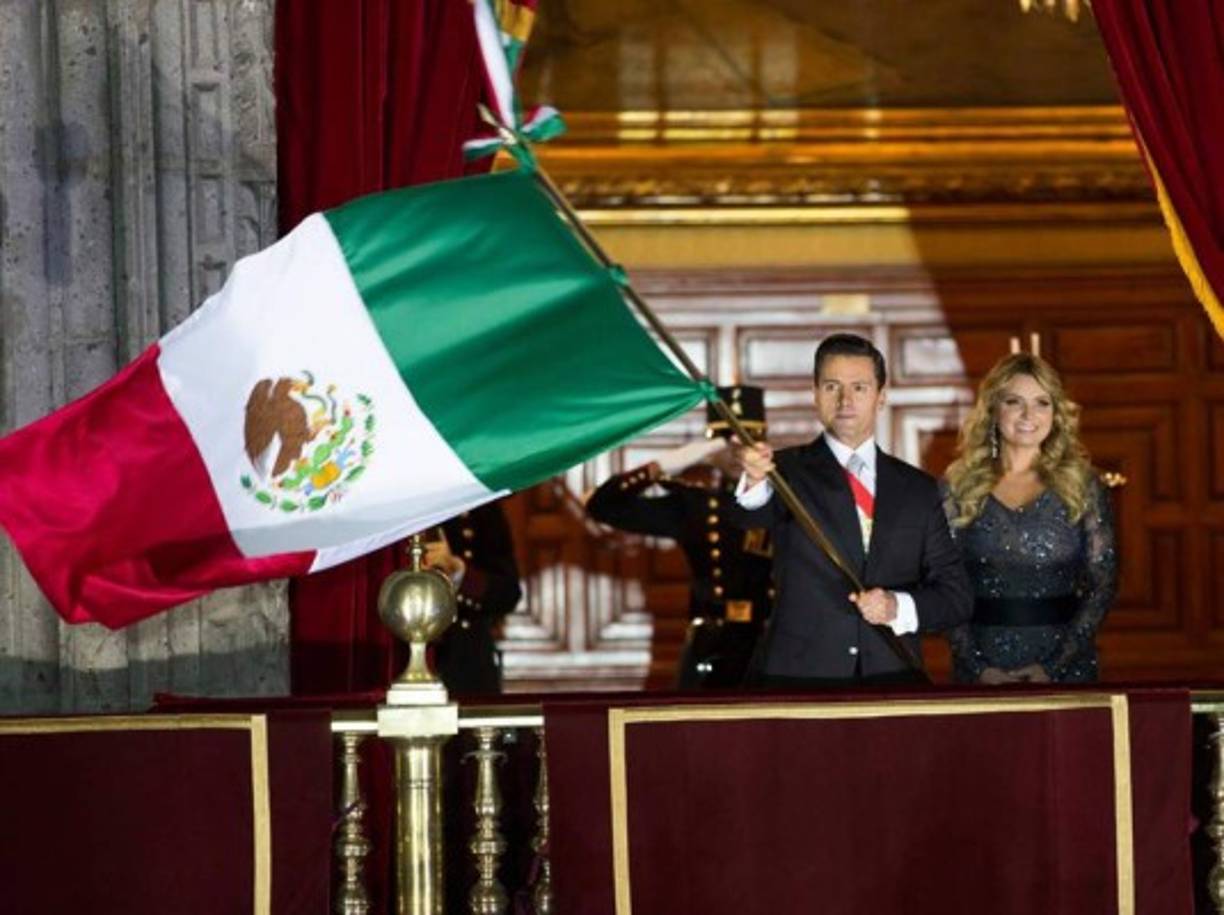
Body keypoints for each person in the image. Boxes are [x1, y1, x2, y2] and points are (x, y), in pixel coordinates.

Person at [734, 333, 972, 685]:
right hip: (798, 679)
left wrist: (897, 607)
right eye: (832, 387)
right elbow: (748, 517)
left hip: (892, 676)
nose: (845, 400)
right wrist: (753, 480)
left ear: (881, 396)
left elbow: (955, 597)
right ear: (815, 394)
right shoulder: (783, 473)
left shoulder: (919, 489)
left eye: (859, 387)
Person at [942, 353, 1117, 684]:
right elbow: (944, 585)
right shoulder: (958, 487)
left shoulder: (1083, 485)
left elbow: (1103, 584)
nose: (1028, 415)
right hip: (981, 668)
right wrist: (979, 667)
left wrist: (1054, 666)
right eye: (1014, 402)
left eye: (1042, 403)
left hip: (1065, 667)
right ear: (994, 409)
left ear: (1056, 414)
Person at [586, 386, 774, 689]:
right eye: (728, 441)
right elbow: (602, 506)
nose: (739, 452)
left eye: (748, 440)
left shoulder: (786, 500)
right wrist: (669, 463)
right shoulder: (695, 506)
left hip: (770, 643)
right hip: (711, 643)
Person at [416, 501, 523, 694]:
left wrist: (459, 572)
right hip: (391, 662)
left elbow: (509, 592)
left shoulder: (478, 504)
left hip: (464, 660)